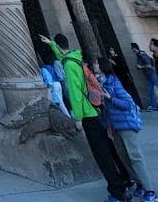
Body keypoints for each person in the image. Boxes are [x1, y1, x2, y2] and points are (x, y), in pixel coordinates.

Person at [40, 33, 129, 202]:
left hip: (87, 114)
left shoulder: (69, 65)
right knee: (108, 148)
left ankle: (118, 192)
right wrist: (51, 43)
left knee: (101, 154)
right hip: (95, 110)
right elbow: (62, 55)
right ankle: (125, 179)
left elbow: (75, 94)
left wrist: (78, 118)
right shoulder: (75, 58)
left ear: (59, 47)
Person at [98, 57, 155, 202]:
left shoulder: (113, 82)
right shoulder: (101, 83)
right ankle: (139, 183)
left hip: (126, 124)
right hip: (115, 126)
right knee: (124, 157)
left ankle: (150, 190)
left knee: (135, 156)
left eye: (96, 63)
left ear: (102, 67)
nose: (94, 66)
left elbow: (127, 103)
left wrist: (110, 98)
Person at [131, 41, 158, 111]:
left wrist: (141, 66)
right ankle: (154, 106)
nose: (133, 51)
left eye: (132, 49)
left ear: (135, 48)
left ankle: (154, 106)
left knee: (151, 90)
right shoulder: (138, 55)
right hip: (148, 76)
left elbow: (149, 65)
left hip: (152, 74)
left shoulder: (142, 54)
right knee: (150, 91)